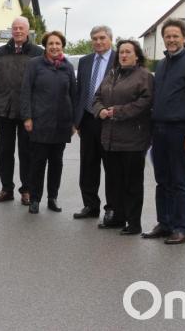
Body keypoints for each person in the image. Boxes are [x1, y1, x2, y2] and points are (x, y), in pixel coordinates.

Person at [142, 19, 185, 245]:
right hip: (159, 131)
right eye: (167, 36)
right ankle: (165, 223)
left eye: (175, 36)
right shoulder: (161, 65)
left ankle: (182, 228)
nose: (171, 40)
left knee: (179, 180)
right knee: (162, 180)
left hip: (181, 131)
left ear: (184, 38)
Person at [92, 40, 153, 235]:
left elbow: (145, 102)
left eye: (128, 52)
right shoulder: (112, 74)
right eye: (121, 53)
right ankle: (117, 217)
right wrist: (100, 110)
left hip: (133, 139)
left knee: (132, 184)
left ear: (137, 56)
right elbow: (96, 97)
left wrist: (117, 111)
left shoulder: (144, 76)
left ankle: (134, 223)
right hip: (110, 138)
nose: (124, 55)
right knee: (113, 181)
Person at [0, 16, 44, 205]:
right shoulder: (1, 52)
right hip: (4, 110)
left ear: (27, 31)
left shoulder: (37, 52)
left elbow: (41, 81)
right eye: (15, 28)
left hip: (27, 112)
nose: (18, 31)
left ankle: (26, 190)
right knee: (5, 152)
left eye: (21, 28)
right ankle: (6, 189)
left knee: (26, 152)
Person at [21, 31, 76, 214]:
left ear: (62, 46)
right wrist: (27, 117)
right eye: (51, 43)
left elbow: (74, 95)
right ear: (45, 46)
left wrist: (74, 122)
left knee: (56, 163)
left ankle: (52, 198)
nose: (54, 46)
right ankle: (35, 198)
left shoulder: (67, 67)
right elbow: (26, 91)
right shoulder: (34, 64)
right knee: (37, 163)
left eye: (58, 43)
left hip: (61, 124)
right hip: (39, 123)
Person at [72, 25, 117, 221]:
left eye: (102, 38)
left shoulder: (119, 59)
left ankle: (112, 207)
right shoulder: (85, 61)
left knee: (111, 166)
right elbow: (80, 91)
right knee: (88, 165)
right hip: (88, 120)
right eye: (95, 38)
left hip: (110, 120)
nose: (98, 42)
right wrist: (77, 121)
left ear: (110, 39)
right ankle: (90, 205)